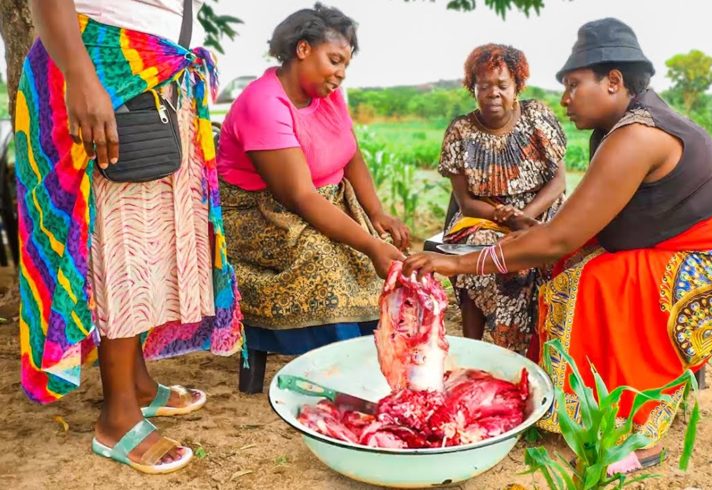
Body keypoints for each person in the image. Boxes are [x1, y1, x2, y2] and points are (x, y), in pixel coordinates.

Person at [403, 18, 712, 474]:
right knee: (567, 273)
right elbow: (582, 227)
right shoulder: (620, 129)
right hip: (697, 247)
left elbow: (560, 236)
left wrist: (457, 265)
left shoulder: (638, 136)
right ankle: (579, 403)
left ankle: (635, 431)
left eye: (574, 85)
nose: (564, 99)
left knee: (610, 282)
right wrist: (530, 238)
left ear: (613, 82)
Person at [16, 0, 243, 474]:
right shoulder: (90, 76)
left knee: (147, 243)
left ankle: (136, 382)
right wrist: (81, 78)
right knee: (118, 246)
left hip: (149, 77)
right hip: (104, 73)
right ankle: (117, 418)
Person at [216, 4, 408, 355]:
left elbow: (350, 153)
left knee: (375, 260)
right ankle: (343, 361)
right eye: (335, 60)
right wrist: (369, 244)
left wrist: (376, 213)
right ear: (302, 49)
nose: (341, 74)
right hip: (260, 216)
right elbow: (300, 197)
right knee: (325, 260)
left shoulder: (328, 94)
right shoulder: (263, 104)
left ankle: (374, 352)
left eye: (346, 65)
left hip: (325, 203)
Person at [438, 44, 566, 354]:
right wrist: (506, 218)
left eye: (502, 85)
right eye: (484, 86)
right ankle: (476, 347)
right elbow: (466, 202)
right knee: (491, 255)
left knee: (537, 253)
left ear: (517, 86)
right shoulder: (460, 130)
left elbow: (558, 181)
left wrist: (526, 218)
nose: (493, 93)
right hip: (481, 216)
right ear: (473, 88)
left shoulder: (537, 116)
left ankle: (527, 349)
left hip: (541, 210)